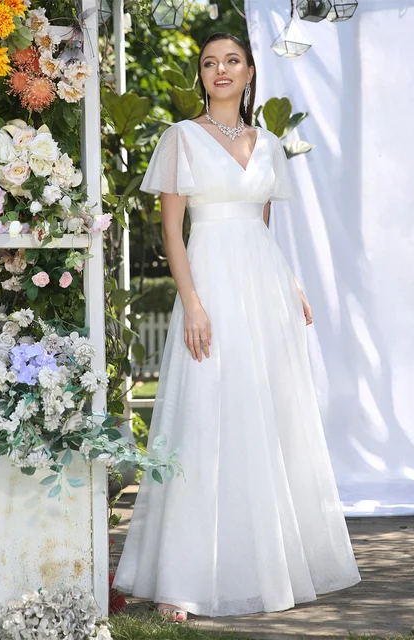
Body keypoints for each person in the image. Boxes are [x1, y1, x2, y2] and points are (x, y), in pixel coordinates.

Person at [112, 31, 361, 622]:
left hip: (265, 292)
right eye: (209, 63)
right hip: (210, 287)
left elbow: (261, 227)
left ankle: (266, 565)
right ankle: (183, 578)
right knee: (205, 417)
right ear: (201, 75)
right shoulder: (181, 137)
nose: (220, 70)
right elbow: (173, 233)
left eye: (232, 61)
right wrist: (193, 304)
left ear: (249, 73)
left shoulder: (269, 144)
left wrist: (291, 282)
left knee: (264, 418)